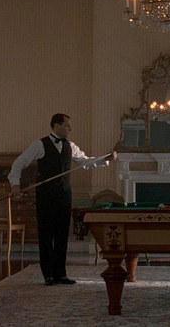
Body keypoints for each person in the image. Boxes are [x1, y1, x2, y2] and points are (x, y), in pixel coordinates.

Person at [6, 113, 115, 286]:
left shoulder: (70, 146)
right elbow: (19, 163)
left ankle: (61, 274)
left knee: (62, 235)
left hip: (64, 194)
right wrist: (15, 185)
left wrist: (104, 159)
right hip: (46, 195)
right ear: (56, 125)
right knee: (46, 234)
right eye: (67, 125)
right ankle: (48, 275)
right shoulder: (39, 144)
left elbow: (85, 162)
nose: (70, 129)